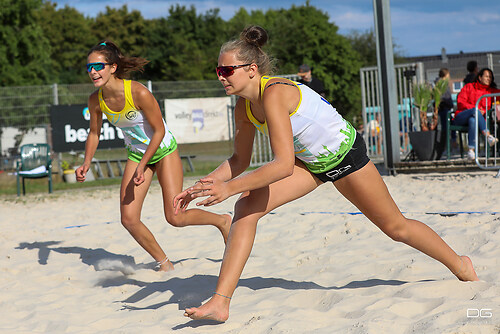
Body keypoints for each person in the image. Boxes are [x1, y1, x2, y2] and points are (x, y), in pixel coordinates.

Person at [173, 26, 479, 322]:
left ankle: (459, 263)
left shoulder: (275, 93)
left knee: (396, 228)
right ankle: (220, 302)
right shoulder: (244, 107)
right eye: (218, 71)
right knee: (246, 206)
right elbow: (239, 160)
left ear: (252, 69)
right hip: (311, 163)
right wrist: (206, 184)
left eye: (228, 70)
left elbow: (281, 165)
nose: (221, 76)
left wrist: (229, 187)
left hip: (345, 156)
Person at [76, 40, 231, 272]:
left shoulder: (138, 91)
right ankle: (165, 264)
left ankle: (222, 221)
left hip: (164, 150)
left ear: (113, 67)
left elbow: (159, 130)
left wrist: (143, 164)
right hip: (138, 155)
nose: (93, 72)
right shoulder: (95, 100)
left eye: (98, 66)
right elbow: (94, 133)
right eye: (89, 68)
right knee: (128, 219)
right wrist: (86, 163)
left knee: (175, 217)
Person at [454, 67, 500, 160]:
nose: (489, 79)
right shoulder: (469, 87)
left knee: (472, 120)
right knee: (475, 111)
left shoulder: (492, 91)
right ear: (479, 77)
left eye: (490, 77)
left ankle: (471, 150)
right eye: (486, 76)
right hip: (461, 116)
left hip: (478, 120)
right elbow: (460, 102)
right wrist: (476, 108)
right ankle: (488, 136)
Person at [435, 68, 454, 159]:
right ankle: (445, 148)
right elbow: (443, 98)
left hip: (444, 109)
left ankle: (446, 147)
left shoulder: (441, 84)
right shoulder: (441, 85)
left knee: (446, 129)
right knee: (445, 129)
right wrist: (450, 104)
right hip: (444, 109)